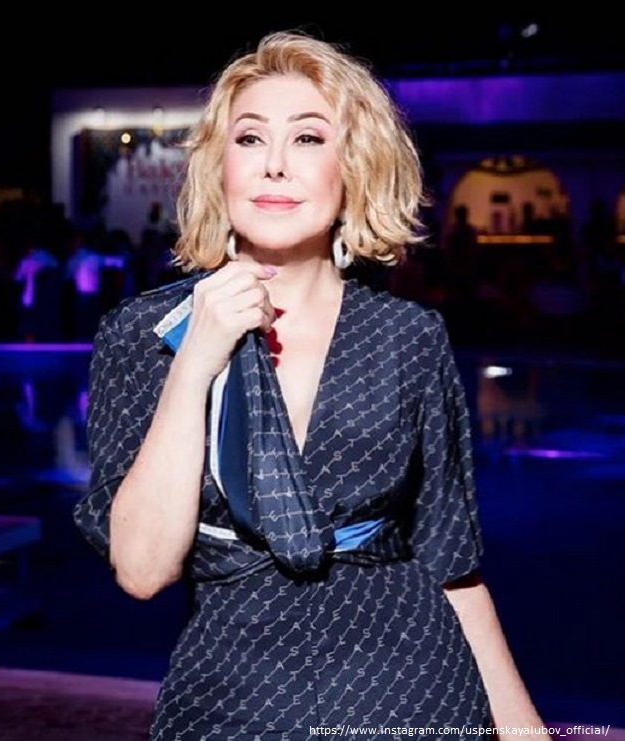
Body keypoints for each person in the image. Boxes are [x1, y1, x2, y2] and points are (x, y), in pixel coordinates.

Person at [73, 30, 551, 740]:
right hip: (232, 703)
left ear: (352, 167)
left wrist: (524, 730)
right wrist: (197, 356)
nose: (274, 164)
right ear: (220, 166)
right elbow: (142, 569)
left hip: (413, 694)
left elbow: (450, 561)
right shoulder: (148, 333)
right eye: (249, 139)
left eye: (307, 138)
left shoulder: (407, 337)